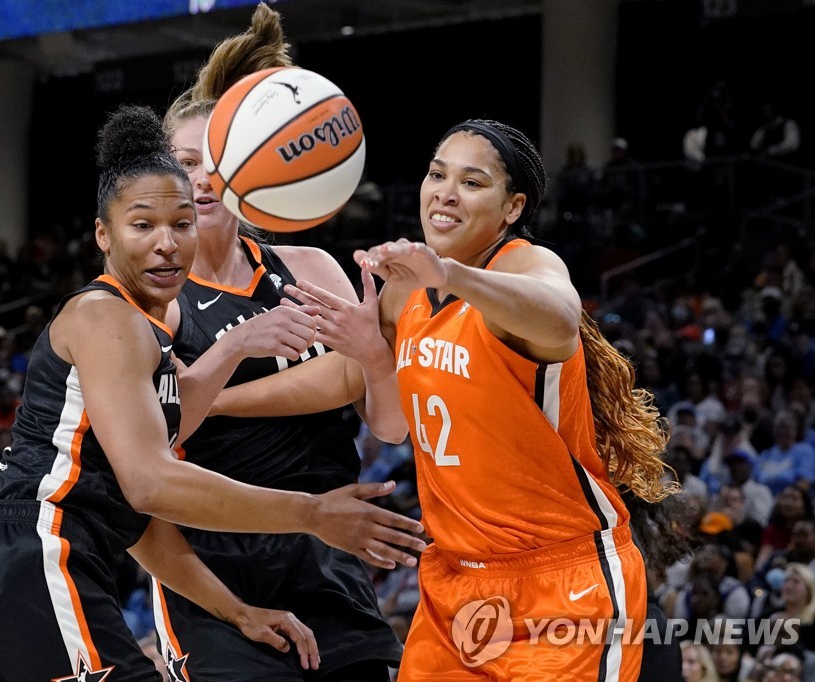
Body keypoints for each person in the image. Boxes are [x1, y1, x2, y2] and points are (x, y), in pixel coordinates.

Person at [0, 103, 424, 682]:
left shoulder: (151, 330)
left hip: (21, 561)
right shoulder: (114, 319)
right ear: (103, 236)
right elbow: (152, 484)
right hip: (37, 551)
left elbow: (139, 514)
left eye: (180, 224)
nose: (167, 243)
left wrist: (239, 611)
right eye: (144, 225)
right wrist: (309, 512)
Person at [214, 118, 681, 679]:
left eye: (472, 182)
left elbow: (560, 316)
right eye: (437, 174)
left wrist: (454, 275)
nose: (445, 192)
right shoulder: (408, 287)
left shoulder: (527, 266)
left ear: (512, 209)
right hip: (454, 581)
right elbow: (347, 377)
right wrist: (215, 399)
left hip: (562, 582)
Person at [153, 4, 411, 679]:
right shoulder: (146, 300)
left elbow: (380, 416)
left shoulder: (313, 268)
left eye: (214, 160)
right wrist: (237, 349)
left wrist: (376, 359)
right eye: (183, 162)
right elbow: (156, 433)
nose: (202, 179)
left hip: (329, 556)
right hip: (216, 571)